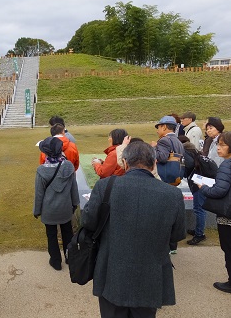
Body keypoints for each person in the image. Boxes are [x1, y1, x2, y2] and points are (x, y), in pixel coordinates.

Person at [83, 141, 186, 318]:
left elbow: (88, 222)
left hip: (112, 271)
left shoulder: (105, 186)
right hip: (150, 274)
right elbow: (177, 235)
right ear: (154, 164)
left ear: (124, 163)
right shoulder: (173, 194)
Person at [34, 137, 79, 271]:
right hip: (65, 206)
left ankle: (55, 261)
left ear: (46, 153)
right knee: (67, 233)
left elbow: (39, 193)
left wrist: (37, 210)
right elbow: (73, 187)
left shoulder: (42, 170)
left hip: (49, 209)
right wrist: (75, 203)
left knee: (51, 235)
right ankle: (69, 257)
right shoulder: (69, 166)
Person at [197, 131, 231, 294]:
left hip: (228, 216)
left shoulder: (227, 164)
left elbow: (219, 191)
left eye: (222, 144)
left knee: (229, 248)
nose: (218, 147)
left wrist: (203, 188)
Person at [151, 116, 184, 254]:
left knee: (162, 214)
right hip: (175, 179)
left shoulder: (164, 140)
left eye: (158, 127)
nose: (158, 130)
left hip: (163, 180)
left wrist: (153, 148)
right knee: (171, 212)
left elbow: (162, 157)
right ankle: (172, 245)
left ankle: (164, 246)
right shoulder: (178, 141)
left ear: (164, 127)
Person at [178, 135, 208, 245]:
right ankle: (198, 230)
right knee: (199, 208)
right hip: (201, 181)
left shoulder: (185, 152)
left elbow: (188, 167)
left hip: (197, 183)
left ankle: (200, 235)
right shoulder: (194, 150)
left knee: (199, 209)